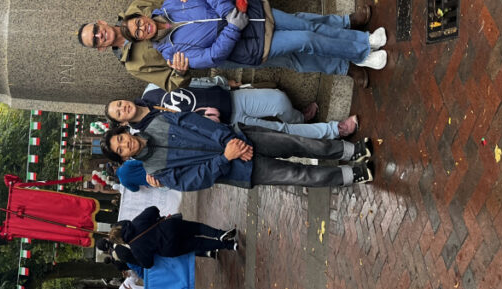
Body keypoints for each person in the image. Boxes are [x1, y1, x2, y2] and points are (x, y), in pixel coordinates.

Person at [78, 0, 385, 90]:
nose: (100, 35)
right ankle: (353, 59)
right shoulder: (140, 63)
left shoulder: (139, 8)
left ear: (102, 22)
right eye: (96, 39)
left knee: (304, 26)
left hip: (242, 16)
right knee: (299, 51)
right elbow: (175, 79)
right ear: (100, 48)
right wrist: (181, 72)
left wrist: (226, 12)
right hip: (235, 47)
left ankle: (348, 25)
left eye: (96, 29)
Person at [100, 110, 375, 192]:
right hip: (240, 169)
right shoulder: (156, 171)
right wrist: (226, 157)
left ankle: (350, 150)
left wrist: (229, 142)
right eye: (120, 149)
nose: (125, 144)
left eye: (121, 139)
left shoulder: (159, 121)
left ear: (125, 132)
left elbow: (197, 123)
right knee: (298, 174)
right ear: (123, 158)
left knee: (298, 143)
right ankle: (351, 174)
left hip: (240, 137)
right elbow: (194, 180)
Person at [107, 78, 359, 141]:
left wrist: (221, 82)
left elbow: (190, 82)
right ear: (121, 122)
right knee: (282, 131)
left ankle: (300, 117)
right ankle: (334, 130)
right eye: (118, 112)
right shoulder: (147, 132)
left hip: (230, 98)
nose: (122, 107)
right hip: (229, 126)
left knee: (280, 101)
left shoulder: (151, 89)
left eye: (118, 103)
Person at [106, 205, 237, 268]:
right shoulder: (136, 222)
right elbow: (153, 209)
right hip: (169, 227)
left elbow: (147, 264)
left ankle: (230, 245)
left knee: (199, 244)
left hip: (169, 248)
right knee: (198, 228)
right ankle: (220, 234)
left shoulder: (135, 248)